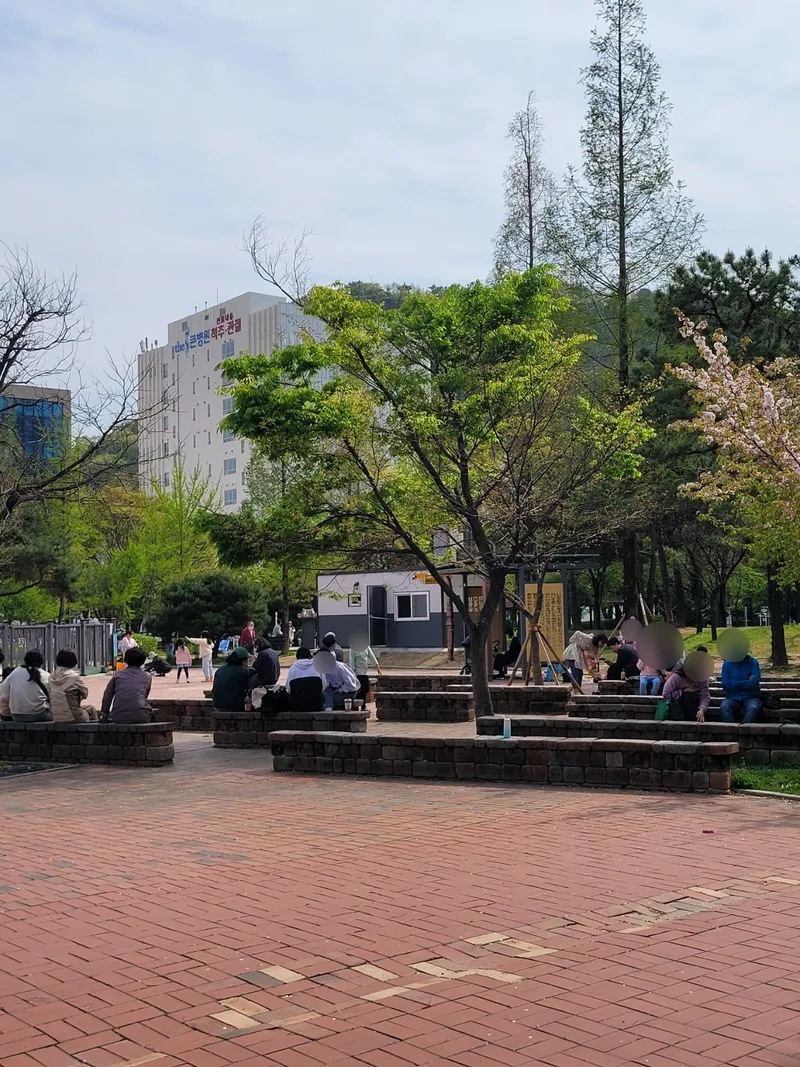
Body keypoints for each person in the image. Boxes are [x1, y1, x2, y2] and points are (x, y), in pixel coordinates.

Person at [101, 648, 153, 723]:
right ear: (143, 661)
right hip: (141, 715)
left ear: (126, 660)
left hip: (118, 716)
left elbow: (107, 696)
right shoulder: (147, 676)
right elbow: (144, 696)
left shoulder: (118, 675)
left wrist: (104, 713)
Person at [0, 650, 52, 722]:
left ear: (25, 660)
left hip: (16, 716)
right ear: (41, 662)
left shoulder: (15, 672)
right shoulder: (46, 675)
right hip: (40, 714)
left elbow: (4, 691)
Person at [50, 649, 98, 722]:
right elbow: (85, 694)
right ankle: (94, 729)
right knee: (91, 709)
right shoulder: (74, 676)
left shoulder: (51, 676)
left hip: (55, 716)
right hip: (72, 716)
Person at [720, 651, 762, 724]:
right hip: (732, 697)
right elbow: (725, 685)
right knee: (724, 707)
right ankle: (731, 730)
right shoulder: (727, 664)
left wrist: (734, 683)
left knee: (753, 707)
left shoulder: (753, 662)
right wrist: (747, 682)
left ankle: (745, 729)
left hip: (751, 696)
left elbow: (754, 682)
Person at [211, 647, 252, 712]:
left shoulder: (220, 670)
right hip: (233, 706)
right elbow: (247, 687)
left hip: (217, 705)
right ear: (243, 660)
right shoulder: (242, 672)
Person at [286, 647, 325, 711]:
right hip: (316, 705)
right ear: (310, 656)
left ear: (297, 657)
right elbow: (324, 685)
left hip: (297, 707)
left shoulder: (292, 669)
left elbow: (288, 689)